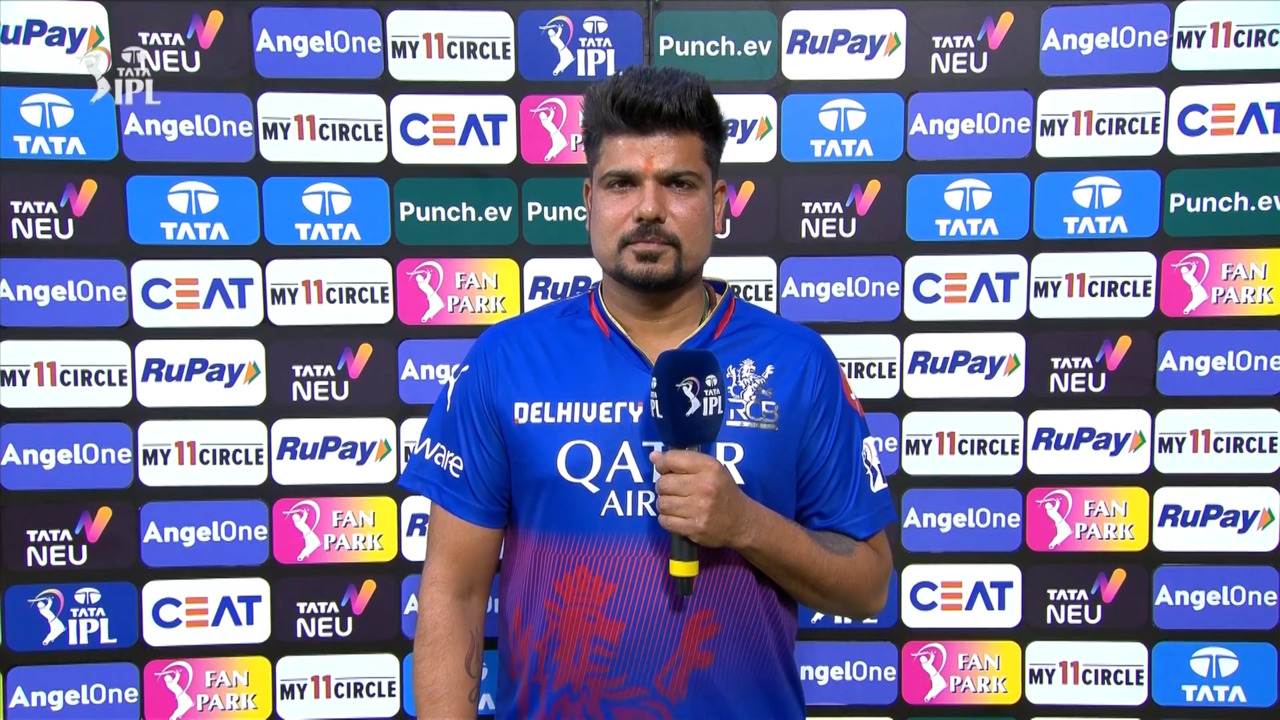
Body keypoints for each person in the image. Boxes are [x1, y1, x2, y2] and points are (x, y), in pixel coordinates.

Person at [400, 65, 896, 720]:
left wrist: (746, 525)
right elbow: (454, 593)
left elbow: (867, 586)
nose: (649, 209)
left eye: (679, 183)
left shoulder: (798, 363)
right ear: (589, 201)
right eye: (622, 183)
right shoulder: (505, 360)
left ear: (719, 203)